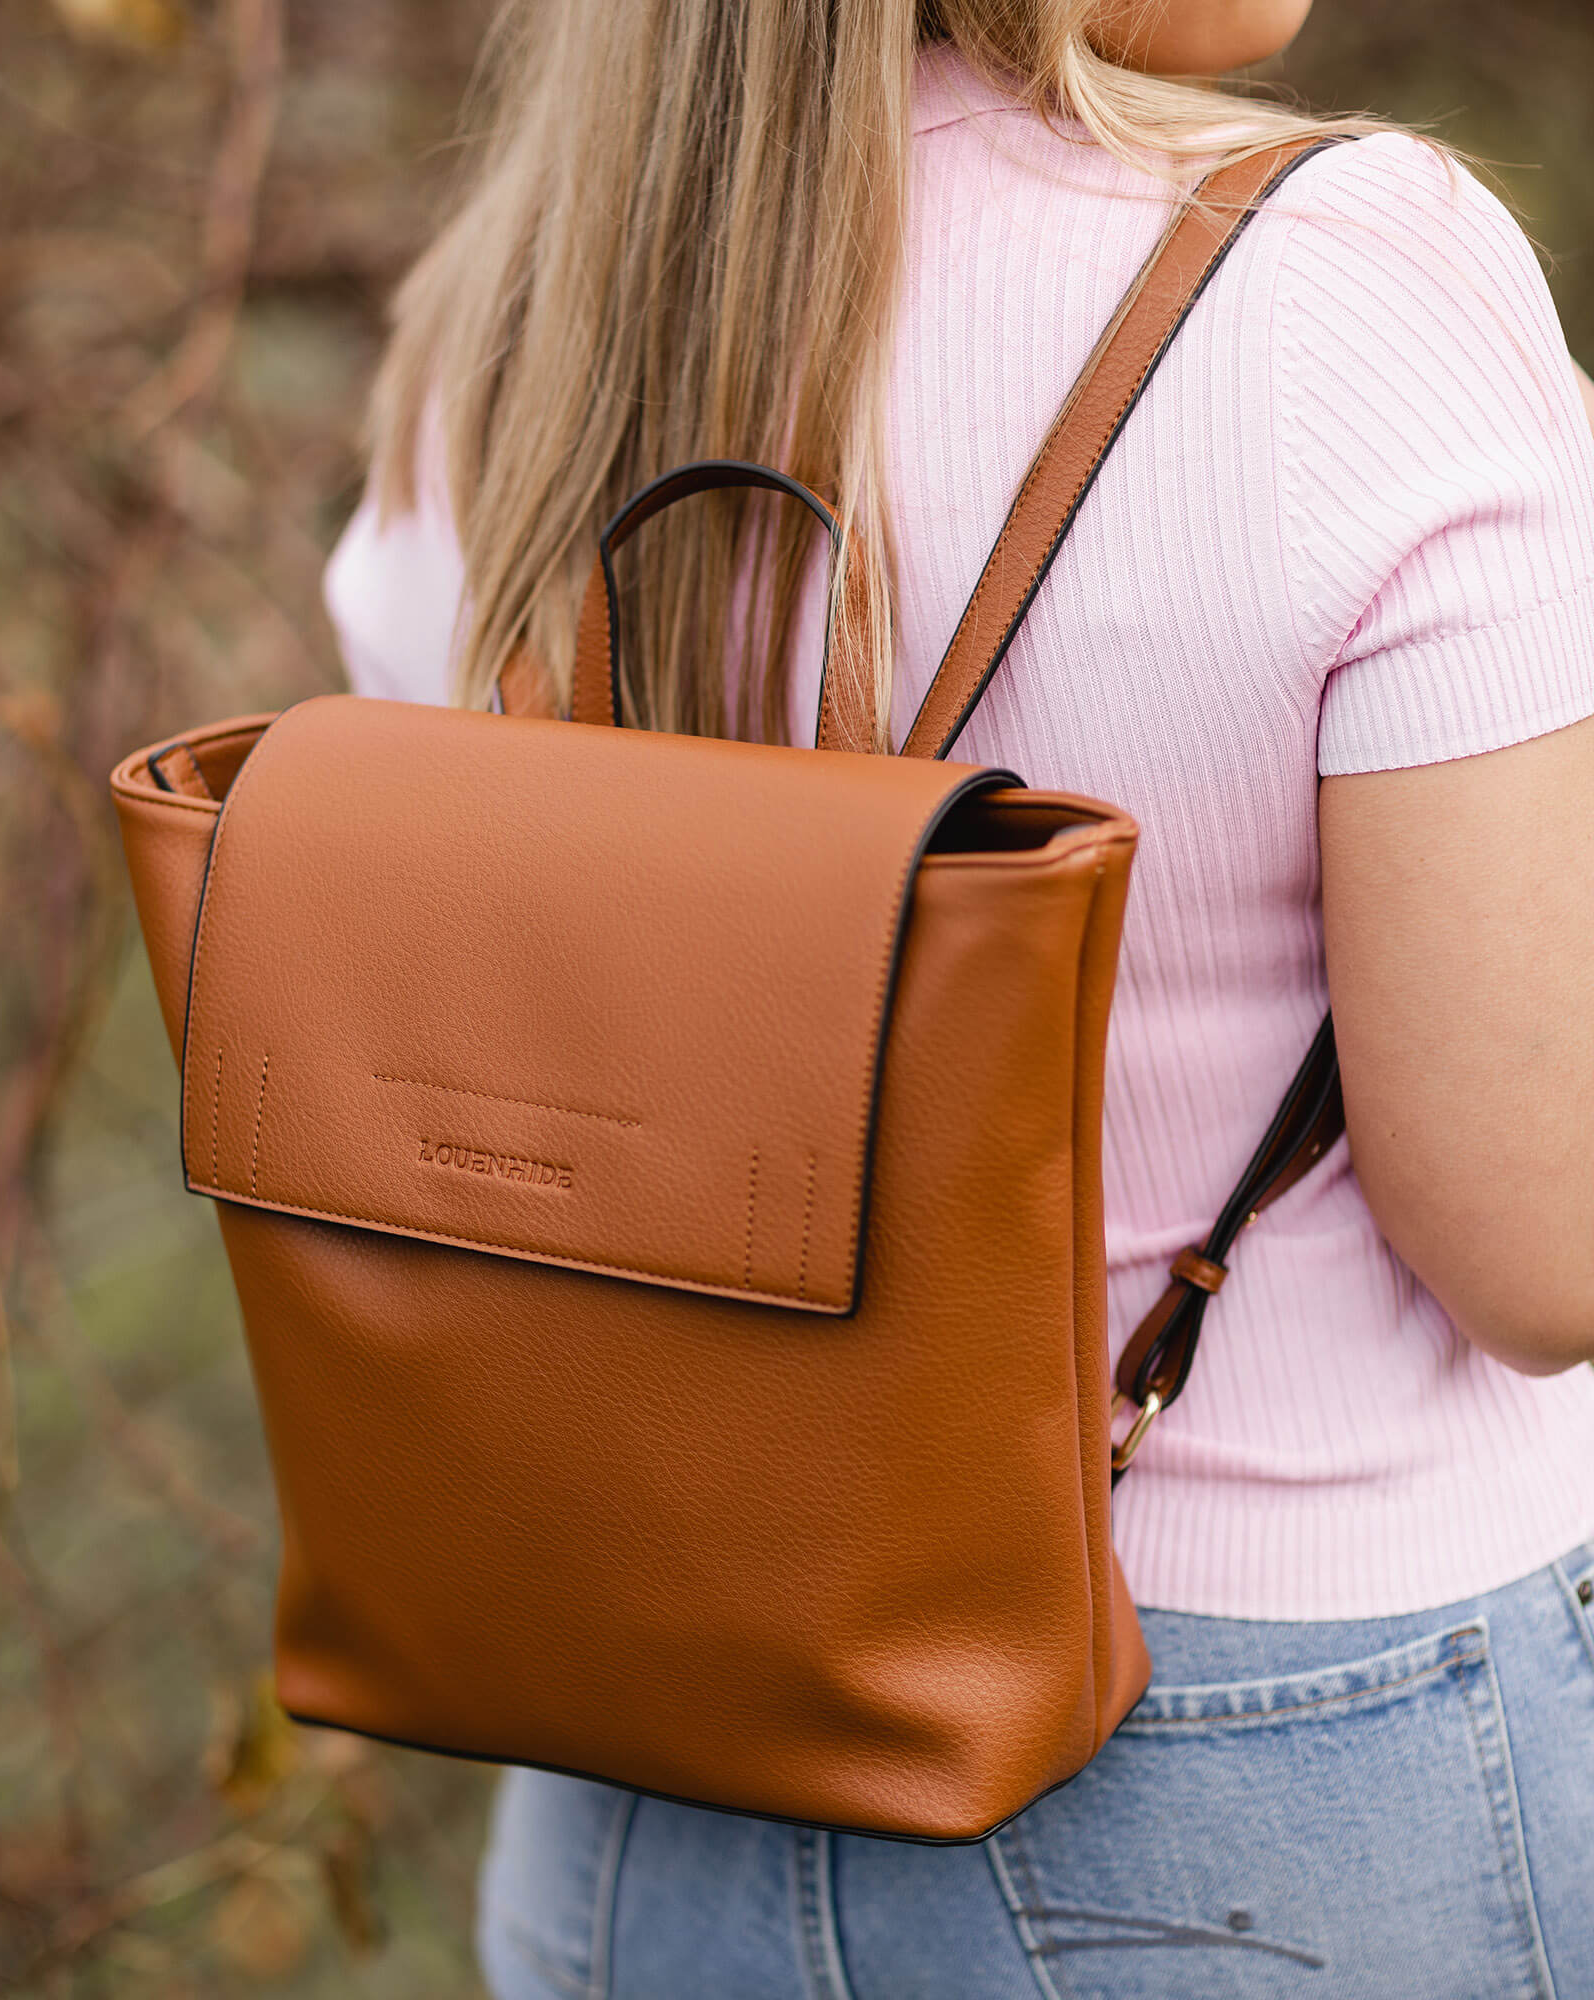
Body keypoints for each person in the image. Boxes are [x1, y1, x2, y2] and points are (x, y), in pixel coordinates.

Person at [324, 1, 1594, 1993]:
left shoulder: (501, 337)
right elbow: (1536, 1244)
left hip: (624, 1736)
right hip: (1260, 1759)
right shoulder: (1354, 284)